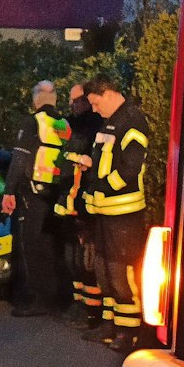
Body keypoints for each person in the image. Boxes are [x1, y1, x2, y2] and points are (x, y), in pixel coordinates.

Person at [81, 74, 151, 353]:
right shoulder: (109, 122)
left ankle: (129, 332)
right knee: (104, 269)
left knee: (122, 274)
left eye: (96, 103)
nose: (95, 110)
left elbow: (130, 167)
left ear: (108, 93)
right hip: (104, 212)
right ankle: (112, 325)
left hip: (124, 213)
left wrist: (103, 187)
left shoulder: (132, 121)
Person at [1, 80, 70, 317]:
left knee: (32, 247)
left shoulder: (33, 122)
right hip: (58, 193)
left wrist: (9, 190)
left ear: (35, 100)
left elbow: (20, 159)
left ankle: (36, 299)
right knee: (52, 246)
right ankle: (56, 298)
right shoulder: (63, 124)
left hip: (34, 192)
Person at [60, 82, 104, 331]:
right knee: (73, 258)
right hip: (70, 201)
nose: (72, 105)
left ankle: (92, 311)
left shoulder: (93, 127)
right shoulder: (72, 125)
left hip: (86, 202)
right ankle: (79, 303)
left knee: (87, 260)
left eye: (76, 101)